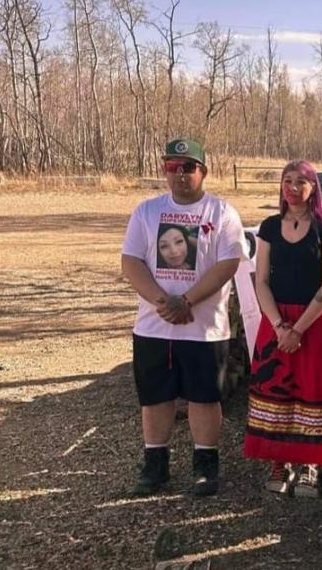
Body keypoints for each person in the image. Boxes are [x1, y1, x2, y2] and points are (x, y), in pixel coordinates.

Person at [121, 138, 245, 497]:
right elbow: (131, 262)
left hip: (205, 328)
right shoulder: (146, 212)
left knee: (204, 398)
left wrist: (188, 300)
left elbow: (228, 263)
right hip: (154, 326)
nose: (179, 174)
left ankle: (205, 466)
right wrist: (163, 301)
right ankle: (155, 465)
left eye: (188, 167)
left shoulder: (221, 213)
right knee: (155, 397)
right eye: (172, 166)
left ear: (203, 171)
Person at [243, 159, 322, 498]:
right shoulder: (270, 227)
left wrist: (298, 330)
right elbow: (260, 280)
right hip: (277, 321)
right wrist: (279, 326)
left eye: (300, 181)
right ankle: (281, 460)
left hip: (315, 322)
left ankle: (312, 463)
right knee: (278, 391)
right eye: (287, 180)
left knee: (313, 390)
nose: (292, 187)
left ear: (314, 187)